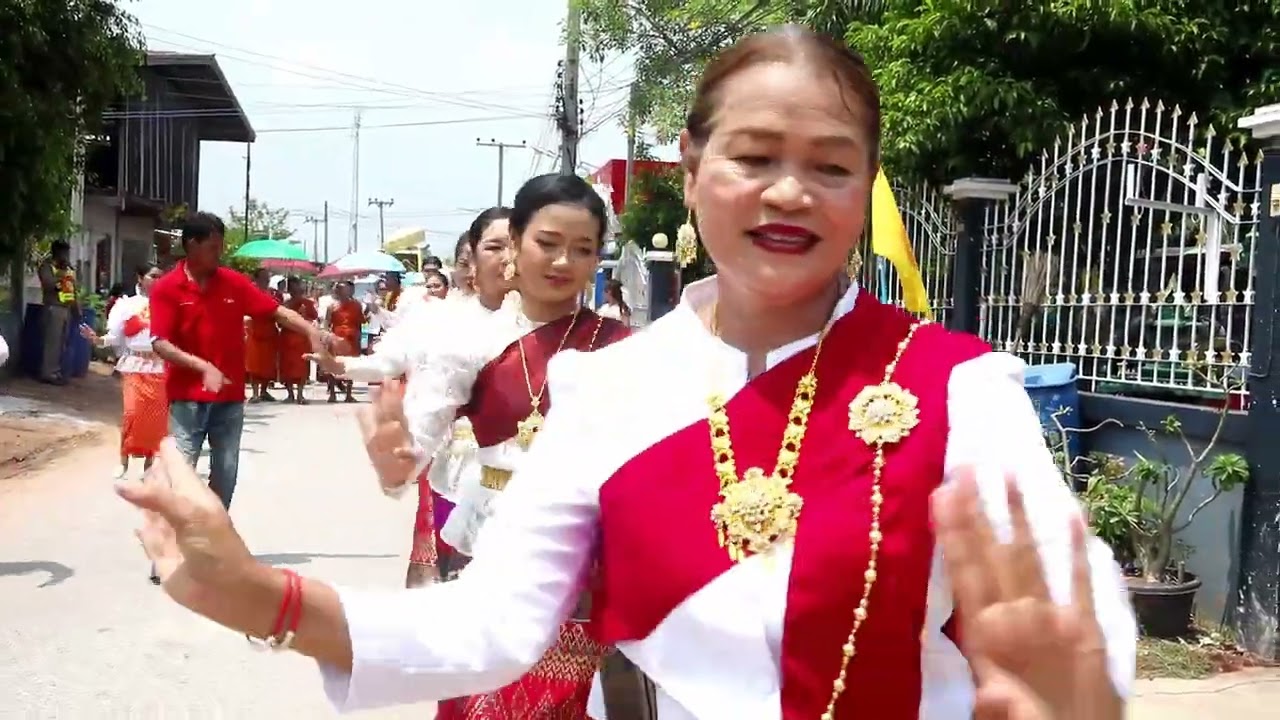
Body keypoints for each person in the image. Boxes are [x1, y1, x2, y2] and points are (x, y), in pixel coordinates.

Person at [118, 28, 1135, 720]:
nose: (789, 190)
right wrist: (262, 598)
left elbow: (1071, 621)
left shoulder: (959, 388)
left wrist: (1077, 691)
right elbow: (496, 620)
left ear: (861, 187)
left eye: (829, 165)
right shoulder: (608, 392)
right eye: (752, 155)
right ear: (690, 168)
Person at [318, 206, 513, 589]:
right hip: (452, 460)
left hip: (519, 478)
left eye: (515, 247)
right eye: (492, 248)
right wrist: (342, 366)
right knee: (450, 574)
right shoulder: (436, 319)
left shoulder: (544, 323)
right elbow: (392, 359)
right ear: (470, 259)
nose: (506, 260)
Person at [148, 212, 331, 510]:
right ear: (192, 244)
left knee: (225, 474)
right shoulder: (167, 288)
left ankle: (216, 542)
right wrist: (202, 366)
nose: (219, 254)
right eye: (213, 247)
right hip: (187, 400)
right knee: (180, 474)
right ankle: (173, 546)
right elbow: (160, 343)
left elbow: (276, 312)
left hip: (229, 399)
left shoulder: (233, 283)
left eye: (221, 247)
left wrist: (311, 329)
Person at [80, 263, 167, 480]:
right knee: (132, 413)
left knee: (156, 418)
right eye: (152, 276)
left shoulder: (169, 305)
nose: (157, 280)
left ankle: (149, 464)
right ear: (140, 277)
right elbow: (115, 337)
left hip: (159, 366)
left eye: (160, 277)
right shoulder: (126, 305)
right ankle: (124, 460)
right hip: (134, 364)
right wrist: (97, 340)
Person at [36, 240, 80, 384]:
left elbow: (74, 289)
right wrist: (62, 276)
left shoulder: (68, 268)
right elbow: (49, 284)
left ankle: (57, 371)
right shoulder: (47, 266)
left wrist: (76, 308)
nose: (66, 256)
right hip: (53, 307)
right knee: (52, 341)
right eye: (64, 252)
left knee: (62, 342)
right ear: (57, 252)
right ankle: (48, 373)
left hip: (66, 308)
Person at [319, 282, 365, 404]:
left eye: (347, 290)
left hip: (352, 338)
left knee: (351, 366)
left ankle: (349, 394)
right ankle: (332, 393)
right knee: (333, 365)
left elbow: (360, 322)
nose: (345, 292)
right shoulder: (332, 306)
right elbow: (327, 323)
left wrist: (359, 338)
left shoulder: (356, 305)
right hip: (336, 338)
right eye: (342, 290)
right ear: (337, 292)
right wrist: (326, 336)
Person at [279, 277, 319, 404]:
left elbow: (314, 318)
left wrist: (304, 314)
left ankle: (300, 394)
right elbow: (280, 323)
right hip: (287, 339)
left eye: (297, 287)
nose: (295, 291)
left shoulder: (307, 303)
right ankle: (290, 394)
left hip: (301, 338)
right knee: (287, 366)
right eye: (292, 288)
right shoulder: (285, 305)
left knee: (302, 366)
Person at [245, 268, 282, 402]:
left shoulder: (272, 293)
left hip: (270, 331)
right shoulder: (249, 291)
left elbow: (278, 308)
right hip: (255, 330)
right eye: (263, 277)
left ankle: (264, 391)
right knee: (255, 363)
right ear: (256, 278)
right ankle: (255, 393)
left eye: (268, 277)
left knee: (269, 364)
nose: (266, 279)